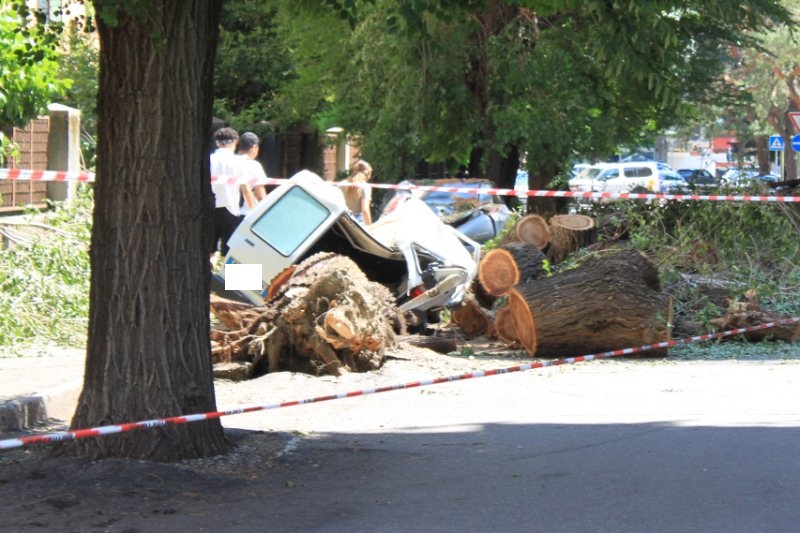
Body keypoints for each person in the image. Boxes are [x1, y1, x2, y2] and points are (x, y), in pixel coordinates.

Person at [210, 127, 254, 257]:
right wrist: (252, 211)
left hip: (210, 209)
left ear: (216, 142)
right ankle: (235, 278)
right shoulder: (239, 162)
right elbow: (246, 189)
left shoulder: (209, 159)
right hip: (231, 210)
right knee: (233, 253)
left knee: (207, 252)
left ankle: (206, 276)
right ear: (235, 141)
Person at [236, 131, 269, 216]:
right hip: (246, 213)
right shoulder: (254, 165)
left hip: (226, 212)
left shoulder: (230, 162)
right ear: (254, 147)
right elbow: (260, 195)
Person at [341, 159, 373, 225]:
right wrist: (370, 227)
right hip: (358, 221)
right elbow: (365, 210)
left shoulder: (343, 183)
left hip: (343, 220)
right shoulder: (365, 187)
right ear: (368, 174)